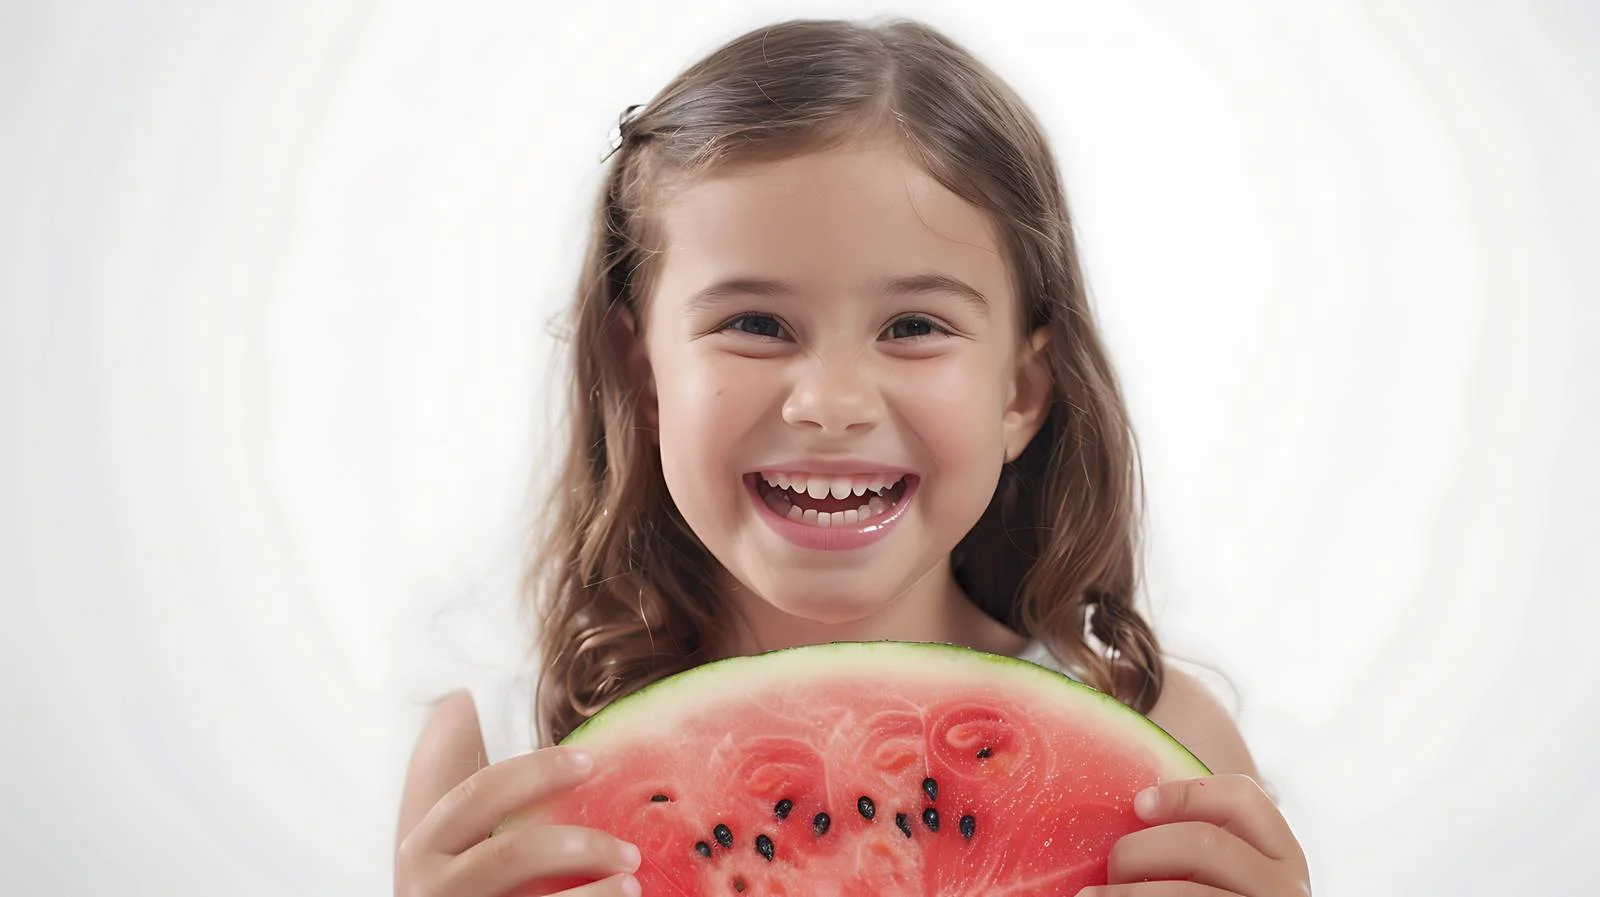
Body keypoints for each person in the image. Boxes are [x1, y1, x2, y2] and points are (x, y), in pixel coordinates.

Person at [394, 16, 1311, 897]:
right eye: (755, 324)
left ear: (1020, 394)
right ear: (645, 379)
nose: (831, 403)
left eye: (913, 326)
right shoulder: (497, 762)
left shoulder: (1169, 748)